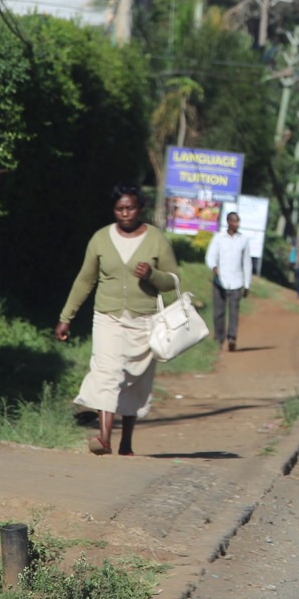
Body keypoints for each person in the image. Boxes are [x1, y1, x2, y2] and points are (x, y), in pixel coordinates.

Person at [57, 184, 181, 455]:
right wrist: (66, 317)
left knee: (134, 379)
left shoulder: (156, 238)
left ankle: (126, 441)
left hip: (143, 318)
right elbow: (85, 280)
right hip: (107, 316)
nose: (125, 213)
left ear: (140, 209)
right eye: (120, 208)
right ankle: (104, 438)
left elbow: (173, 280)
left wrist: (152, 275)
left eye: (131, 208)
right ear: (114, 210)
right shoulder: (101, 239)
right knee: (107, 372)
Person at [205, 210, 253, 352]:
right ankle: (219, 338)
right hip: (220, 281)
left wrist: (247, 284)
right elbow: (210, 256)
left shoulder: (243, 240)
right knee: (219, 312)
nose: (236, 224)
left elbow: (247, 263)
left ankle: (232, 338)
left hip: (236, 281)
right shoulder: (219, 238)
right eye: (233, 221)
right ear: (228, 222)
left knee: (234, 311)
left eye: (237, 221)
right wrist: (214, 267)